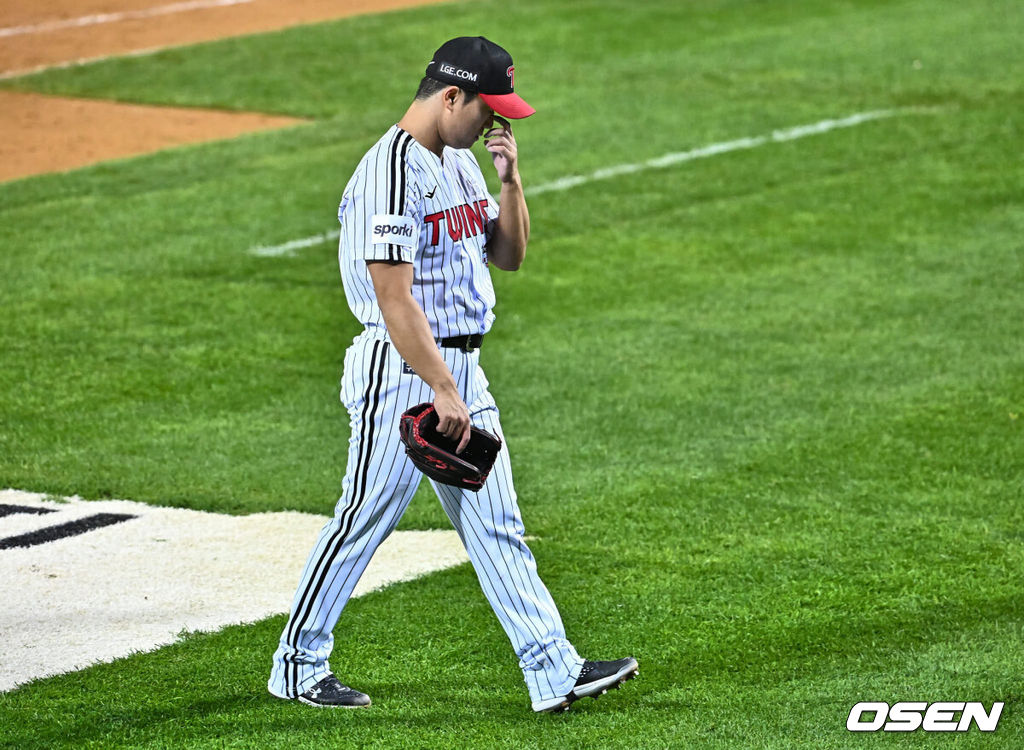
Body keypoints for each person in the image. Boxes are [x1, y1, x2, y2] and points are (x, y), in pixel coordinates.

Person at [267, 36, 638, 713]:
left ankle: (552, 670)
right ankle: (296, 663)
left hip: (462, 368)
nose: (494, 124)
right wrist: (441, 387)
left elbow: (510, 255)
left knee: (498, 525)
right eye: (487, 110)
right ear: (449, 96)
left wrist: (511, 182)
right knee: (363, 518)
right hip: (404, 373)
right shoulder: (388, 175)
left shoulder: (461, 163)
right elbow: (394, 298)